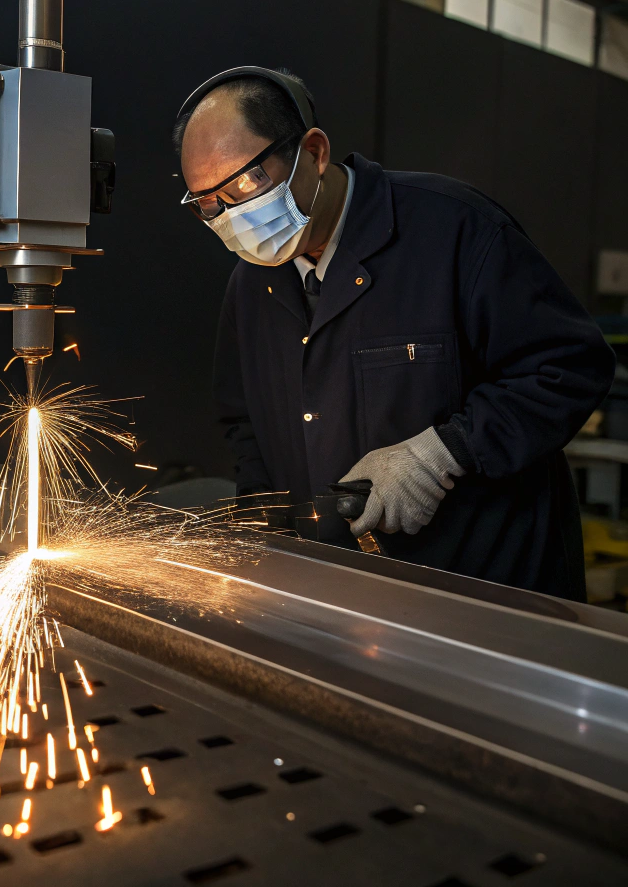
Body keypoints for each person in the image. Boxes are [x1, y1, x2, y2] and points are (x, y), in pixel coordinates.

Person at [173, 65, 614, 599]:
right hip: (346, 599)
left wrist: (443, 451)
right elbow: (245, 425)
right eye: (208, 204)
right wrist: (268, 532)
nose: (231, 216)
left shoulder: (453, 230)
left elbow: (569, 365)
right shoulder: (251, 286)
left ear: (313, 153)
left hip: (489, 592)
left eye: (245, 182)